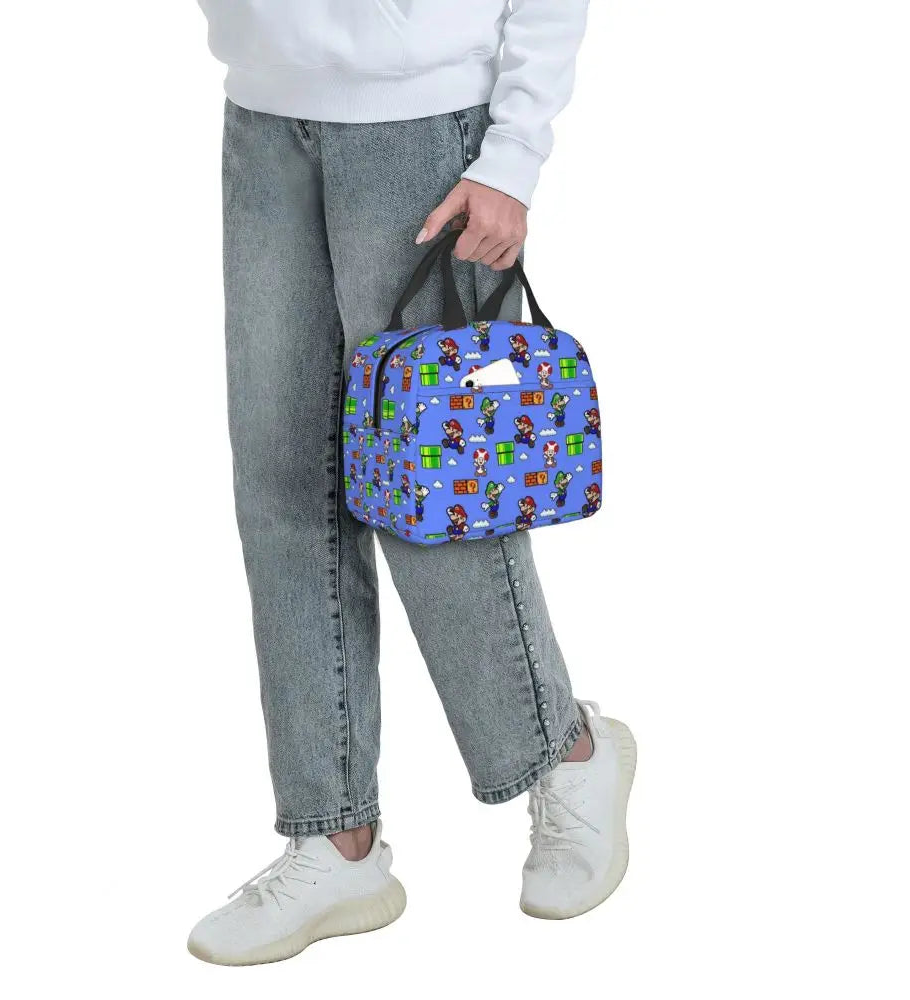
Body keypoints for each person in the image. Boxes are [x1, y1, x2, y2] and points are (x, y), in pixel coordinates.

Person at [187, 0, 635, 965]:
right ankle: (335, 839)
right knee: (283, 492)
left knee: (434, 495)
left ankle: (567, 752)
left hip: (423, 131)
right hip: (265, 119)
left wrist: (511, 155)